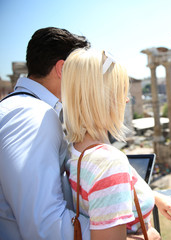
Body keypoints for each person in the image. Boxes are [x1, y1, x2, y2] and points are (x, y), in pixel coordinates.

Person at [61, 48, 171, 239]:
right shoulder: (109, 161)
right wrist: (151, 237)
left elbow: (102, 195)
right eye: (121, 92)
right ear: (101, 100)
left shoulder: (73, 150)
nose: (126, 99)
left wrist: (155, 197)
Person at [0, 27, 91, 239]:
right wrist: (115, 234)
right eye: (81, 70)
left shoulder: (17, 107)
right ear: (62, 69)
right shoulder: (34, 115)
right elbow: (45, 225)